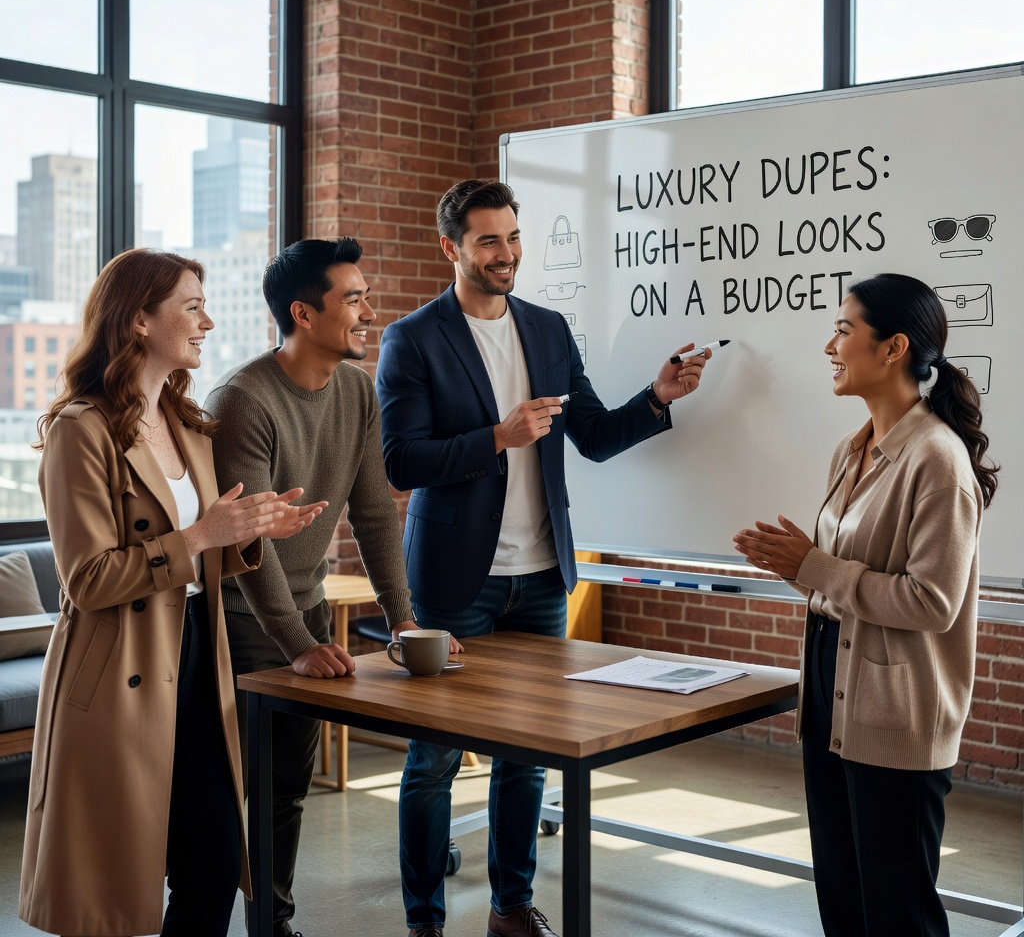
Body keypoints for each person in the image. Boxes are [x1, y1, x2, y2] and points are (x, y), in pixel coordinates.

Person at [375, 178, 713, 937]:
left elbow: (590, 434)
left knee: (525, 757)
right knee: (432, 762)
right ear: (452, 248)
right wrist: (496, 437)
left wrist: (657, 398)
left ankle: (510, 908)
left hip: (538, 581)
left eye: (513, 237)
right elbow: (400, 462)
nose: (506, 254)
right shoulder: (413, 338)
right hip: (454, 583)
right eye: (488, 240)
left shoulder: (549, 330)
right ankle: (423, 921)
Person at [20, 248, 322, 937]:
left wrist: (251, 530)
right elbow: (89, 580)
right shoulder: (80, 430)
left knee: (214, 864)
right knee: (111, 896)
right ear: (137, 322)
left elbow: (207, 547)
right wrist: (199, 537)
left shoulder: (190, 427)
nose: (207, 321)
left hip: (196, 665)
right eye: (191, 306)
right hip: (115, 676)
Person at [733, 272, 998, 937]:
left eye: (845, 330)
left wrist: (814, 564)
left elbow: (931, 602)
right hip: (831, 695)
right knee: (844, 906)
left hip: (897, 714)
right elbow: (844, 581)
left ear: (893, 349)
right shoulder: (851, 451)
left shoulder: (937, 460)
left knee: (898, 914)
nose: (830, 345)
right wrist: (793, 566)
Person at [206, 237, 443, 937]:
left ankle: (271, 923)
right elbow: (249, 538)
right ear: (303, 314)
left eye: (367, 294)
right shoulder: (243, 400)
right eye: (353, 298)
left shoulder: (355, 390)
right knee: (226, 792)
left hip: (301, 605)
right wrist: (298, 643)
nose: (369, 310)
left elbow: (372, 511)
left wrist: (404, 621)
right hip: (239, 614)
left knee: (285, 789)